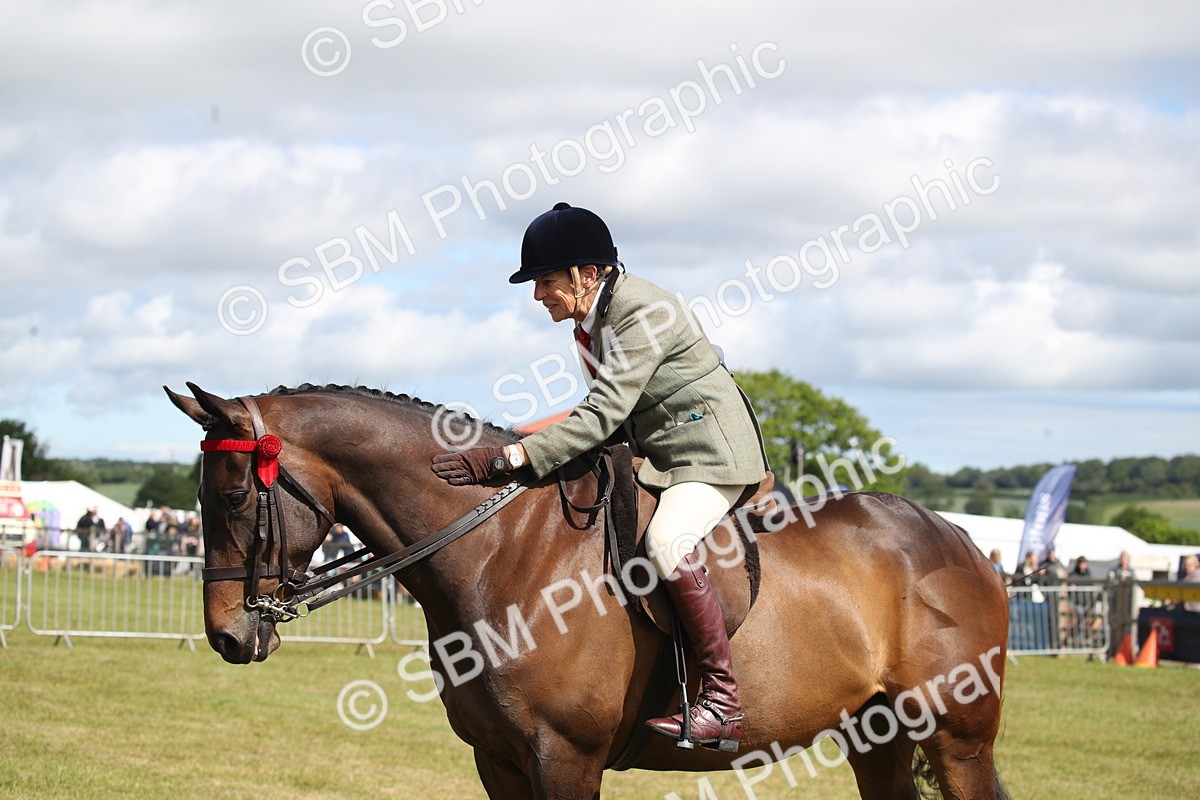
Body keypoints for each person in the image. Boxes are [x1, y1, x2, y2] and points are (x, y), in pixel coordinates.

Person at [430, 203, 769, 752]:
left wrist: (513, 457)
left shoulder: (640, 311)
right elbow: (601, 413)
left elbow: (603, 413)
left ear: (588, 275)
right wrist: (522, 444)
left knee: (665, 542)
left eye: (545, 281)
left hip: (710, 455)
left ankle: (722, 703)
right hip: (657, 455)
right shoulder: (592, 320)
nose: (537, 296)